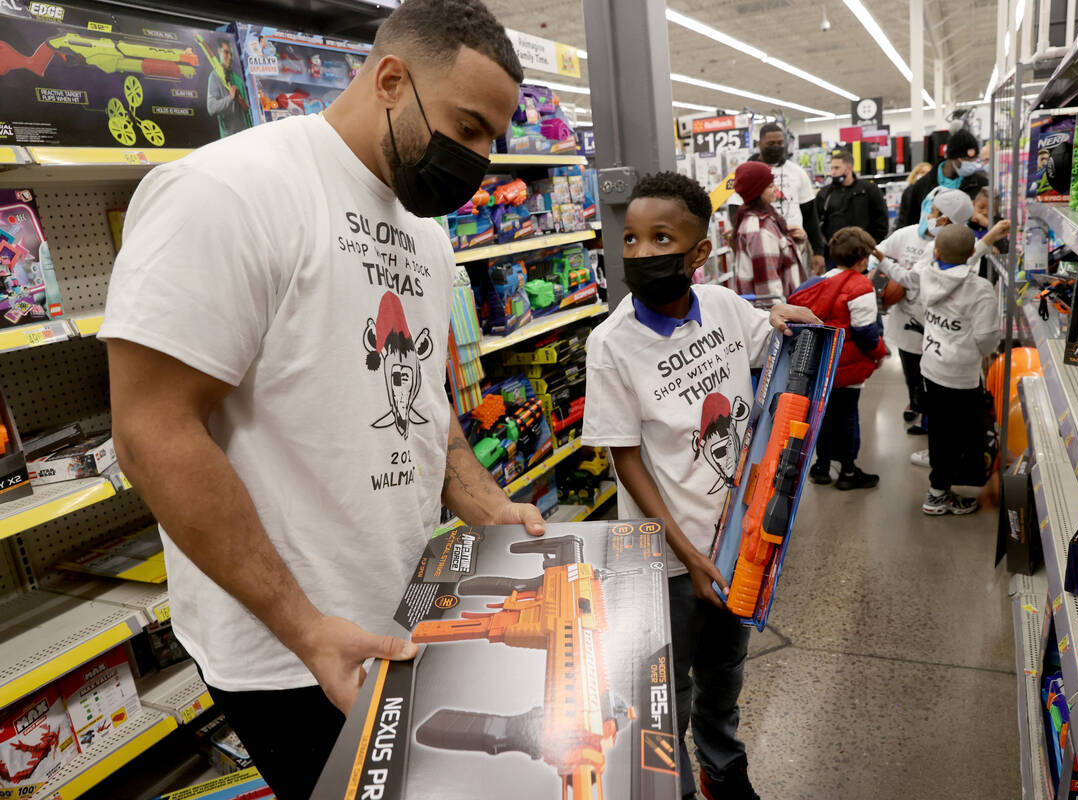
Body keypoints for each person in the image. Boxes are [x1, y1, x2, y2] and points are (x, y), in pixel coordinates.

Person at [99, 3, 546, 797]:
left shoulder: (425, 231)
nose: (478, 159)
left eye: (491, 140)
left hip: (406, 609)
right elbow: (151, 433)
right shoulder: (227, 192)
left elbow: (422, 407)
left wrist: (485, 501)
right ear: (391, 80)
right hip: (291, 648)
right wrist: (306, 628)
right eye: (468, 128)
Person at [581, 171, 820, 800]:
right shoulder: (610, 345)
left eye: (661, 237)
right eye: (630, 239)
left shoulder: (720, 305)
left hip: (736, 542)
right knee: (668, 690)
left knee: (725, 673)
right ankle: (675, 787)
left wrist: (782, 313)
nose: (640, 252)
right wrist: (686, 554)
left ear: (699, 252)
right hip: (669, 560)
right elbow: (625, 458)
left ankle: (722, 768)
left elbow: (773, 335)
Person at [878, 223, 1010, 514]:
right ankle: (938, 494)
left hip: (931, 369)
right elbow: (987, 340)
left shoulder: (927, 273)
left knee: (940, 430)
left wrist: (881, 256)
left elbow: (918, 270)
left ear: (935, 251)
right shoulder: (980, 290)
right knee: (957, 436)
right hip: (962, 375)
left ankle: (939, 486)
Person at [790, 227, 886, 490]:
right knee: (847, 417)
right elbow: (865, 332)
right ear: (864, 259)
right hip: (848, 368)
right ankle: (847, 472)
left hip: (822, 365)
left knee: (823, 415)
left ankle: (820, 467)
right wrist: (880, 353)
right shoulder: (861, 286)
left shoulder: (816, 282)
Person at [874, 187, 974, 435]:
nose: (930, 214)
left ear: (947, 219)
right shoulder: (909, 236)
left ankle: (930, 422)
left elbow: (910, 278)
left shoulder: (949, 248)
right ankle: (919, 406)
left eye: (935, 211)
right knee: (912, 370)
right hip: (910, 322)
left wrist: (885, 262)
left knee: (933, 378)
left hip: (937, 329)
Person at [728, 122, 825, 269]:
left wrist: (818, 250)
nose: (776, 147)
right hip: (759, 247)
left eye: (780, 143)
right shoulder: (746, 173)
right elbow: (735, 209)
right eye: (771, 143)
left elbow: (810, 214)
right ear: (759, 144)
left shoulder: (797, 172)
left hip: (795, 246)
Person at [731, 160, 806, 299]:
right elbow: (768, 293)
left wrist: (798, 241)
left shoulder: (768, 218)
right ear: (757, 191)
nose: (776, 188)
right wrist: (785, 317)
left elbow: (783, 263)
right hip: (777, 315)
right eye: (770, 185)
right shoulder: (760, 229)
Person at [899, 127, 988, 227]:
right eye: (966, 159)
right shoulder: (922, 186)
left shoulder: (981, 185)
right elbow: (908, 223)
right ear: (951, 158)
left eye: (974, 159)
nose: (971, 164)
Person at [816, 151, 889, 259]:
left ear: (849, 169)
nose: (833, 172)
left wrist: (872, 245)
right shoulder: (825, 193)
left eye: (837, 168)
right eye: (832, 168)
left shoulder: (869, 190)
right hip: (834, 254)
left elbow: (881, 220)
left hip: (863, 253)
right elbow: (816, 221)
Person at [205, 40, 251, 136]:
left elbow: (248, 111)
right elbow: (211, 108)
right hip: (228, 140)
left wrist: (243, 103)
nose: (229, 57)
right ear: (218, 51)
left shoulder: (238, 80)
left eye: (231, 54)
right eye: (226, 52)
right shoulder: (214, 77)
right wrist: (230, 98)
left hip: (246, 135)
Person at [895, 161, 932, 233]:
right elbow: (903, 215)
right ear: (915, 174)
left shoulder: (935, 191)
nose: (925, 175)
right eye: (922, 172)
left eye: (928, 172)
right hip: (911, 229)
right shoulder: (909, 191)